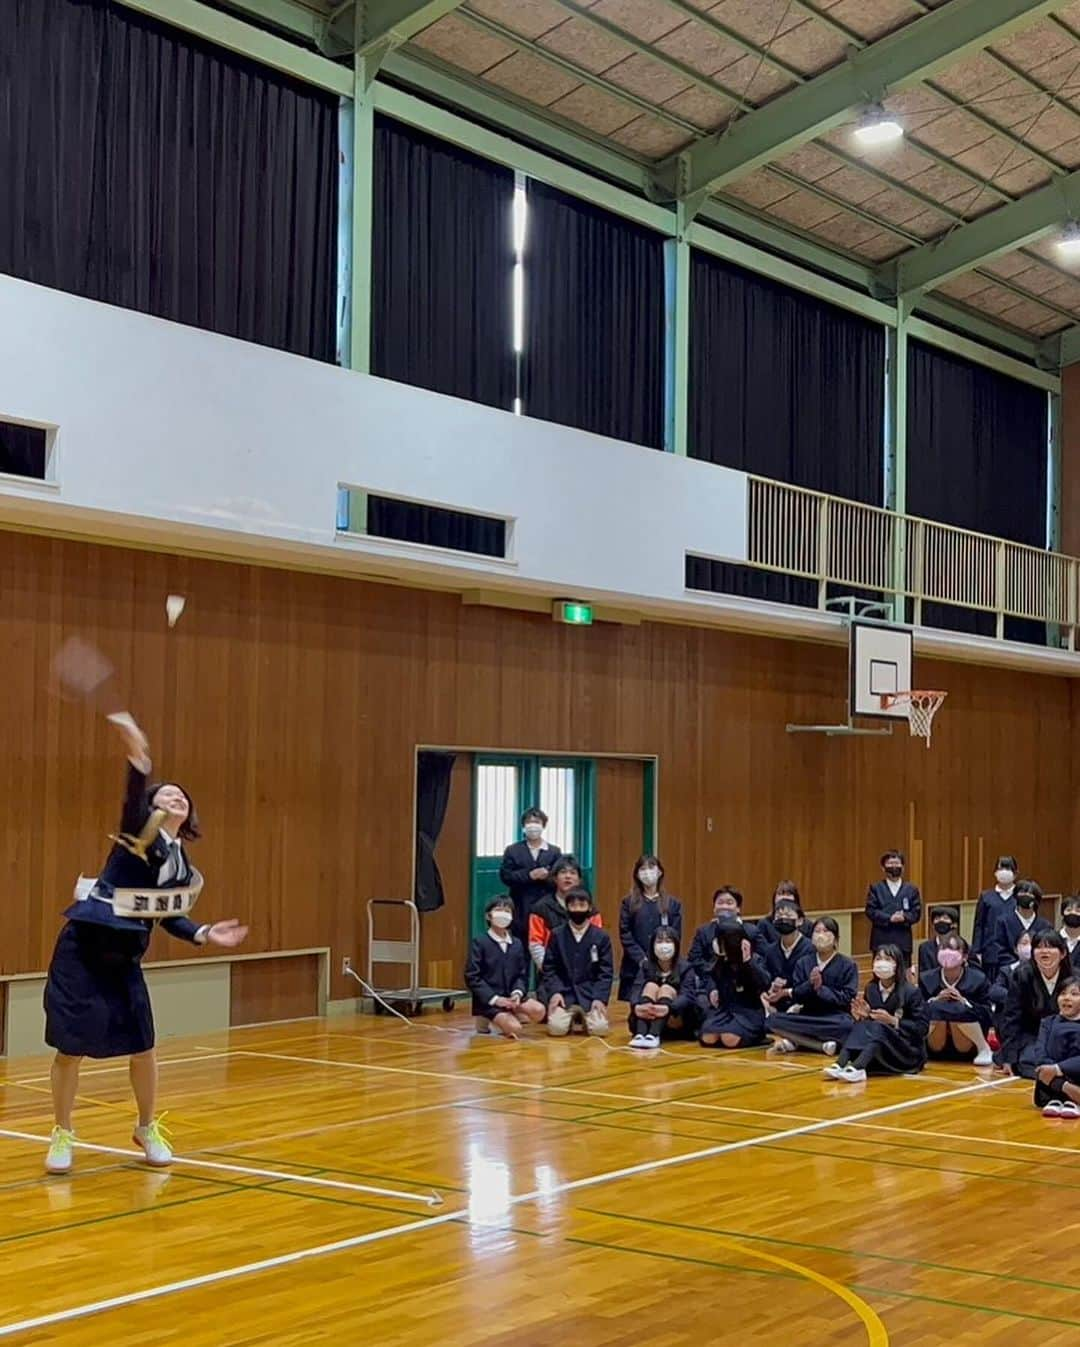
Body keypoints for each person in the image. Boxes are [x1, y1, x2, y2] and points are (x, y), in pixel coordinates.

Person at [43, 711, 248, 1175]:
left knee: (144, 1045)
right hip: (83, 949)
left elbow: (167, 915)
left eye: (181, 795)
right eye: (164, 793)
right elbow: (135, 798)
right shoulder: (142, 834)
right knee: (70, 1048)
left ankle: (145, 1126)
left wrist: (202, 931)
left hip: (126, 958)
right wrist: (139, 755)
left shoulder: (179, 864)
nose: (174, 796)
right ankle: (62, 1132)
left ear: (189, 812)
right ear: (154, 809)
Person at [826, 944, 928, 1083]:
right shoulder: (871, 988)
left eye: (888, 959)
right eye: (878, 958)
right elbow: (870, 1024)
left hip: (905, 1051)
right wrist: (863, 1016)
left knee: (879, 1027)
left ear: (897, 964)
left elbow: (922, 1028)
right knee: (861, 1025)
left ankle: (859, 1067)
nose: (882, 962)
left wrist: (893, 1021)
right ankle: (841, 1063)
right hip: (880, 1048)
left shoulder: (911, 992)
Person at [765, 917, 858, 1057]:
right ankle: (820, 1045)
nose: (821, 935)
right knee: (772, 1021)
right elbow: (797, 993)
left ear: (836, 938)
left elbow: (847, 997)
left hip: (834, 1017)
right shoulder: (803, 963)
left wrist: (821, 989)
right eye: (817, 931)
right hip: (808, 1015)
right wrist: (810, 984)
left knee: (847, 1026)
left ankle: (797, 1040)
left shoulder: (848, 965)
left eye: (826, 931)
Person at [464, 896, 546, 1039]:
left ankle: (512, 1012)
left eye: (507, 911)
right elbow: (472, 976)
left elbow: (521, 974)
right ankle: (485, 1016)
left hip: (511, 996)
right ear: (488, 916)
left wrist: (517, 993)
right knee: (515, 1029)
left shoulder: (516, 944)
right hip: (490, 999)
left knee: (539, 1010)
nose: (503, 914)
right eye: (498, 910)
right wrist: (495, 999)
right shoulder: (480, 942)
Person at [541, 887, 613, 1037]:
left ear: (590, 907)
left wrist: (599, 998)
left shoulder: (601, 937)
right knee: (556, 1029)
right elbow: (549, 968)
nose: (577, 909)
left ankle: (582, 1017)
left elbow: (605, 972)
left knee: (600, 1029)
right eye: (573, 905)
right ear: (567, 908)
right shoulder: (557, 934)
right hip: (564, 995)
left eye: (582, 905)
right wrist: (555, 992)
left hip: (590, 995)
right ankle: (573, 1017)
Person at [999, 931, 1070, 1079]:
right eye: (1038, 947)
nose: (1044, 951)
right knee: (1029, 1063)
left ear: (1062, 953)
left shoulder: (1073, 978)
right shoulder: (1021, 975)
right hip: (1032, 1036)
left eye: (1050, 947)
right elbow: (1012, 1018)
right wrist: (1009, 1058)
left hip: (1065, 1035)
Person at [919, 934, 994, 1066]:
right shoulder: (926, 979)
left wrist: (964, 1002)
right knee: (935, 1007)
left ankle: (983, 1048)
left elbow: (988, 1013)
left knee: (958, 1009)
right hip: (935, 1046)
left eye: (953, 949)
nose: (947, 953)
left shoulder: (978, 979)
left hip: (966, 1045)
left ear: (965, 956)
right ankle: (918, 1050)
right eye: (943, 949)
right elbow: (916, 1010)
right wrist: (935, 1000)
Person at [616, 855, 682, 1004]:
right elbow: (625, 933)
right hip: (634, 964)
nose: (647, 872)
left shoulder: (672, 904)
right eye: (643, 869)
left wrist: (661, 957)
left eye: (651, 867)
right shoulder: (629, 903)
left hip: (664, 962)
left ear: (660, 872)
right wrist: (641, 958)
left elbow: (676, 934)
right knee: (636, 1006)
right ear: (637, 874)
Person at [697, 920, 770, 1049]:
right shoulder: (719, 962)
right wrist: (712, 990)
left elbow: (764, 983)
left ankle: (757, 1037)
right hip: (725, 1010)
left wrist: (748, 963)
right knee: (707, 1037)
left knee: (729, 1039)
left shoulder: (754, 959)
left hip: (748, 1013)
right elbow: (708, 977)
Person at [628, 928, 698, 1049]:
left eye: (668, 941)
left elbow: (688, 996)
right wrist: (636, 1006)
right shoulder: (645, 966)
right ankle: (641, 1034)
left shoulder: (686, 967)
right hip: (647, 1015)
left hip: (675, 1018)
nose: (664, 945)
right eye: (659, 941)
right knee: (651, 986)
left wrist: (669, 1008)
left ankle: (654, 1035)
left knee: (665, 988)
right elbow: (636, 989)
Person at [498, 808, 561, 945]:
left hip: (547, 907)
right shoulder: (513, 850)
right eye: (529, 822)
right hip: (521, 907)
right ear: (523, 826)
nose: (533, 825)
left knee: (547, 947)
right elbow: (506, 876)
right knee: (521, 949)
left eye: (537, 822)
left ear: (543, 825)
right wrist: (529, 875)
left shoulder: (554, 851)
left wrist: (547, 876)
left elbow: (559, 878)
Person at [528, 855, 599, 971]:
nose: (568, 876)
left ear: (579, 879)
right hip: (551, 974)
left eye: (572, 873)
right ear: (555, 878)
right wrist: (548, 969)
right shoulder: (540, 908)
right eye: (563, 872)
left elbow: (596, 942)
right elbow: (536, 944)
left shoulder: (591, 909)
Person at [983, 880, 1050, 983]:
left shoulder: (1045, 925)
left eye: (1030, 894)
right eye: (1022, 893)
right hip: (1010, 973)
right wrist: (1015, 966)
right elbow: (999, 948)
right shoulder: (1003, 921)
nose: (1025, 896)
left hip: (1040, 973)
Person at [1032, 976, 1080, 1117]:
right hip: (1049, 1079)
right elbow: (1040, 1052)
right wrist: (1050, 1069)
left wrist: (1058, 1069)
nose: (1066, 998)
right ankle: (1061, 1095)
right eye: (1062, 993)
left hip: (1067, 1074)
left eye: (1074, 994)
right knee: (1056, 1035)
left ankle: (1070, 1096)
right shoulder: (1048, 1022)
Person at [688, 886, 759, 977]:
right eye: (720, 903)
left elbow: (762, 958)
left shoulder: (751, 931)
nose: (724, 907)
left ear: (738, 908)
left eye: (729, 903)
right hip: (711, 980)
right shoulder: (703, 932)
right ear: (714, 908)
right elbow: (694, 960)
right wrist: (714, 971)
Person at [760, 898, 815, 1013]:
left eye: (788, 915)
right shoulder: (770, 951)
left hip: (801, 1004)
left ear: (800, 920)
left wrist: (787, 991)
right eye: (779, 916)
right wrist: (772, 986)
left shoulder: (811, 948)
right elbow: (765, 978)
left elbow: (811, 984)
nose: (783, 919)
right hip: (775, 1005)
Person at [865, 850, 921, 962]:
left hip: (903, 940)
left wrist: (904, 917)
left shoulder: (911, 889)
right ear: (883, 868)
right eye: (890, 864)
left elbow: (916, 913)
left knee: (903, 974)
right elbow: (870, 911)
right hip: (881, 939)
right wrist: (889, 918)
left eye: (897, 864)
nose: (894, 867)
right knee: (881, 972)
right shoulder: (876, 888)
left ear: (903, 867)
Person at [971, 855, 1018, 971]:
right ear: (995, 872)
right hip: (990, 952)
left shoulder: (1019, 897)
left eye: (1008, 869)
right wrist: (976, 951)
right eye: (1001, 868)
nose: (1004, 872)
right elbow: (979, 925)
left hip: (1013, 952)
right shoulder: (986, 896)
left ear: (1015, 873)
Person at [916, 906, 961, 977]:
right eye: (937, 918)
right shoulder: (924, 948)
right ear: (933, 925)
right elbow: (923, 975)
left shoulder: (963, 946)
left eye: (945, 918)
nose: (941, 920)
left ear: (954, 924)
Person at [1059, 895, 1080, 972]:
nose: (1073, 913)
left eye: (1078, 911)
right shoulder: (1054, 939)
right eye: (1069, 910)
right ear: (1062, 913)